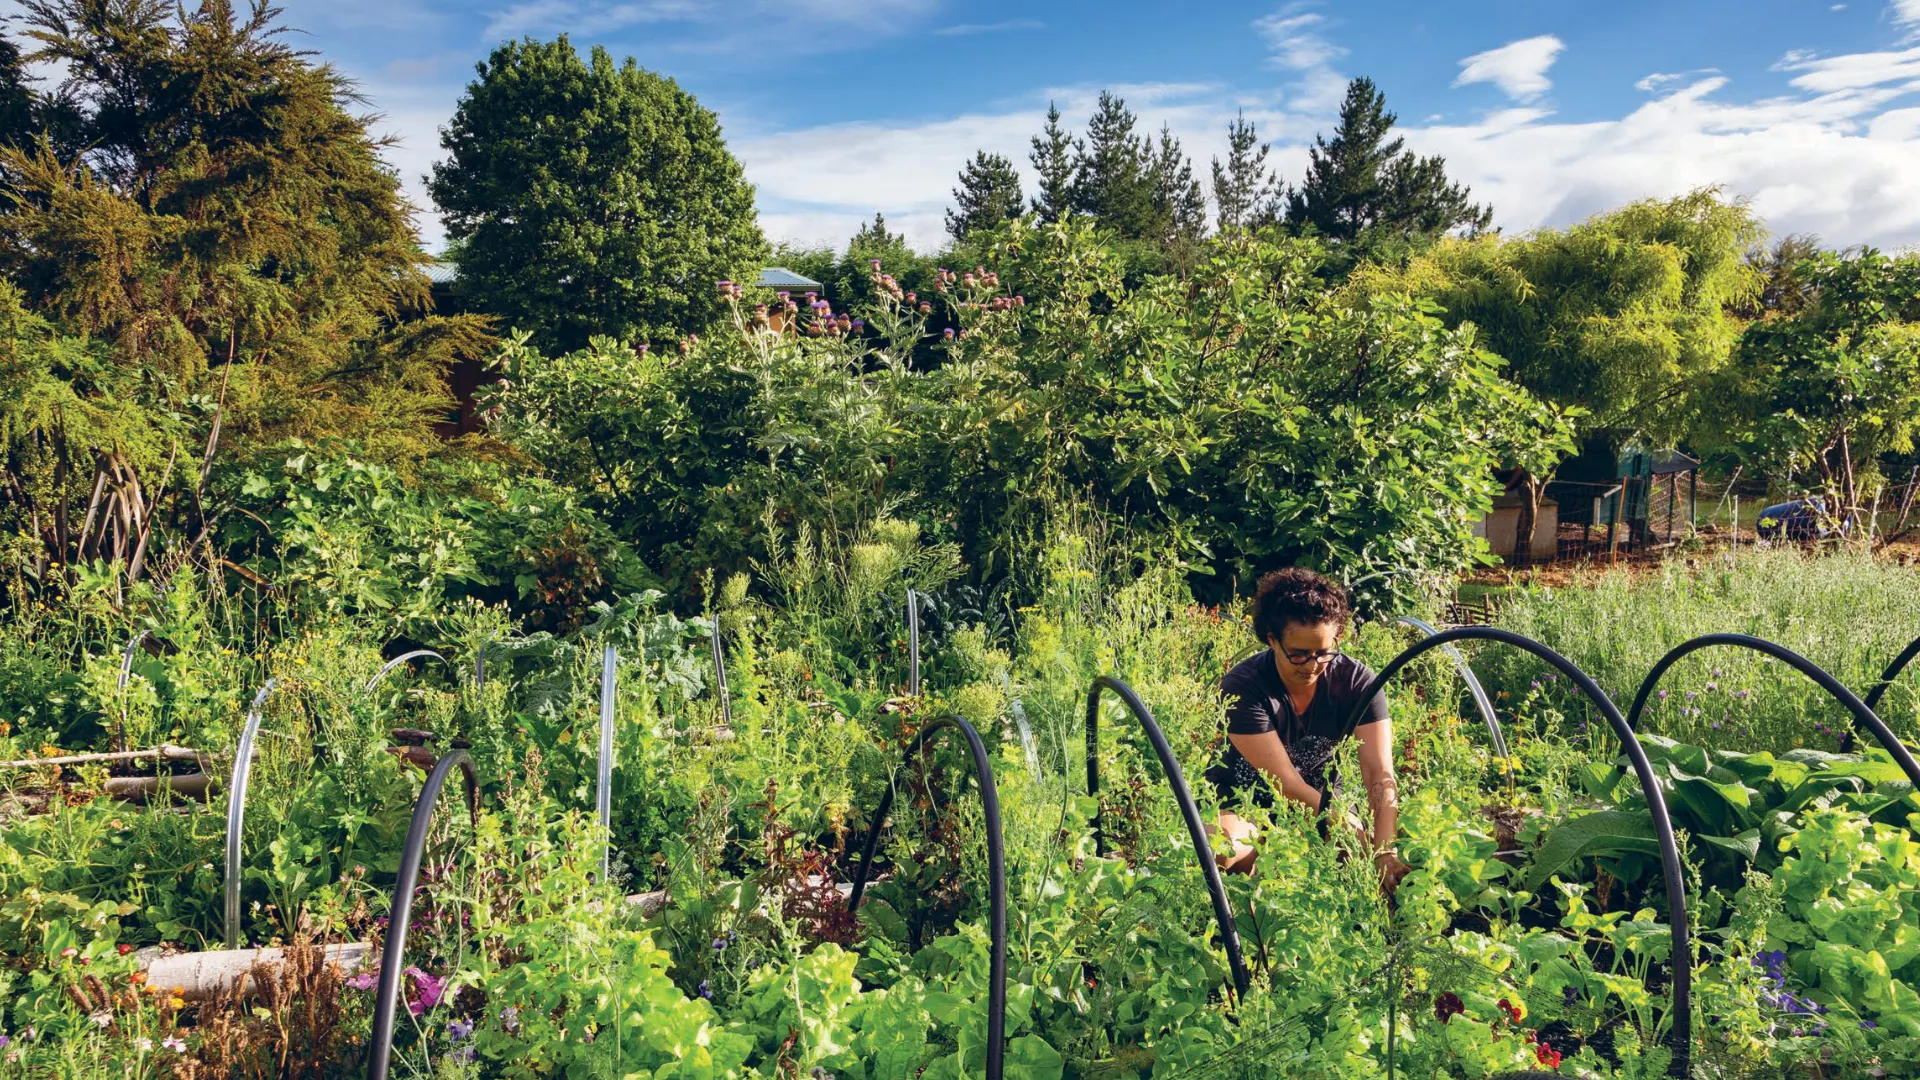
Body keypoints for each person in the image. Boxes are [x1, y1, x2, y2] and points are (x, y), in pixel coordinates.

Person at [1205, 567, 1409, 890]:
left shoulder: (1357, 683)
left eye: (1324, 652)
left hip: (1322, 804)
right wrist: (1349, 831)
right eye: (1299, 655)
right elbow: (1285, 783)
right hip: (1244, 806)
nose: (1313, 666)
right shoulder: (1243, 687)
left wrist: (1384, 851)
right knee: (1222, 848)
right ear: (1272, 640)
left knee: (1368, 872)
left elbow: (1379, 774)